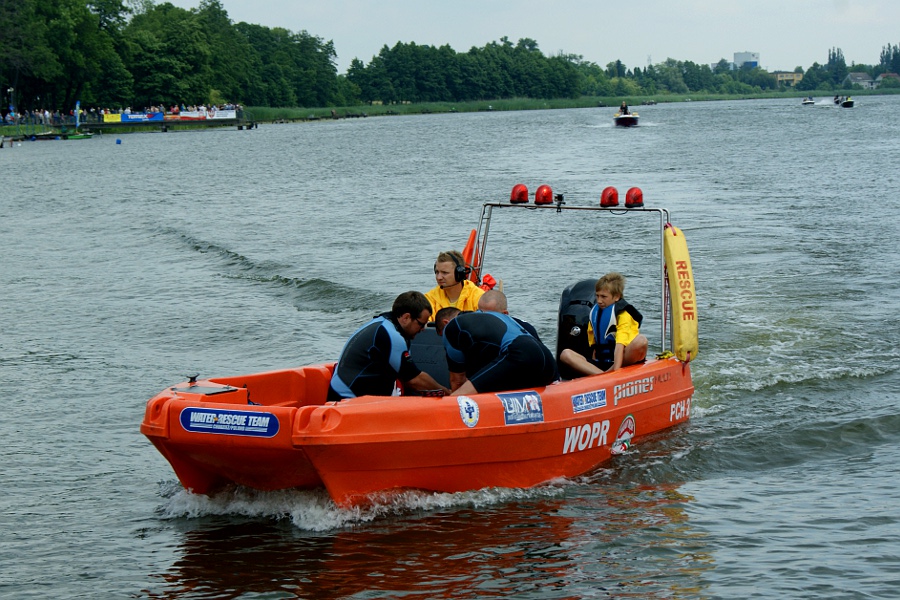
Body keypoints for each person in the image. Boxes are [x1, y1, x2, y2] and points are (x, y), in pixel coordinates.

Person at [328, 291, 450, 401]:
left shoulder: (382, 323)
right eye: (421, 324)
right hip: (347, 399)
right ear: (406, 317)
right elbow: (414, 380)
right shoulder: (391, 336)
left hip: (344, 394)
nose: (423, 329)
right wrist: (447, 393)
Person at [434, 306, 557, 396]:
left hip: (519, 354)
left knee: (457, 397)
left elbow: (457, 380)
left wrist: (453, 396)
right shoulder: (495, 316)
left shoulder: (452, 328)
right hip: (548, 362)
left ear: (446, 323)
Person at [559, 272, 648, 377]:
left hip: (621, 361)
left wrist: (616, 371)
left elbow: (620, 347)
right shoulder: (594, 312)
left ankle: (609, 375)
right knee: (566, 354)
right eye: (597, 296)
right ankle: (602, 375)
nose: (599, 301)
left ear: (616, 297)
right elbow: (594, 347)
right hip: (601, 363)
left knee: (641, 341)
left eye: (604, 297)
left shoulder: (623, 315)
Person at [424, 249, 484, 320]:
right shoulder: (429, 298)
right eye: (437, 272)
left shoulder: (479, 297)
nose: (438, 277)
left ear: (459, 274)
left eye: (444, 273)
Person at [477, 289, 541, 342]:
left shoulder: (526, 329)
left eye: (491, 316)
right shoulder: (473, 329)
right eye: (480, 313)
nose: (485, 319)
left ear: (505, 313)